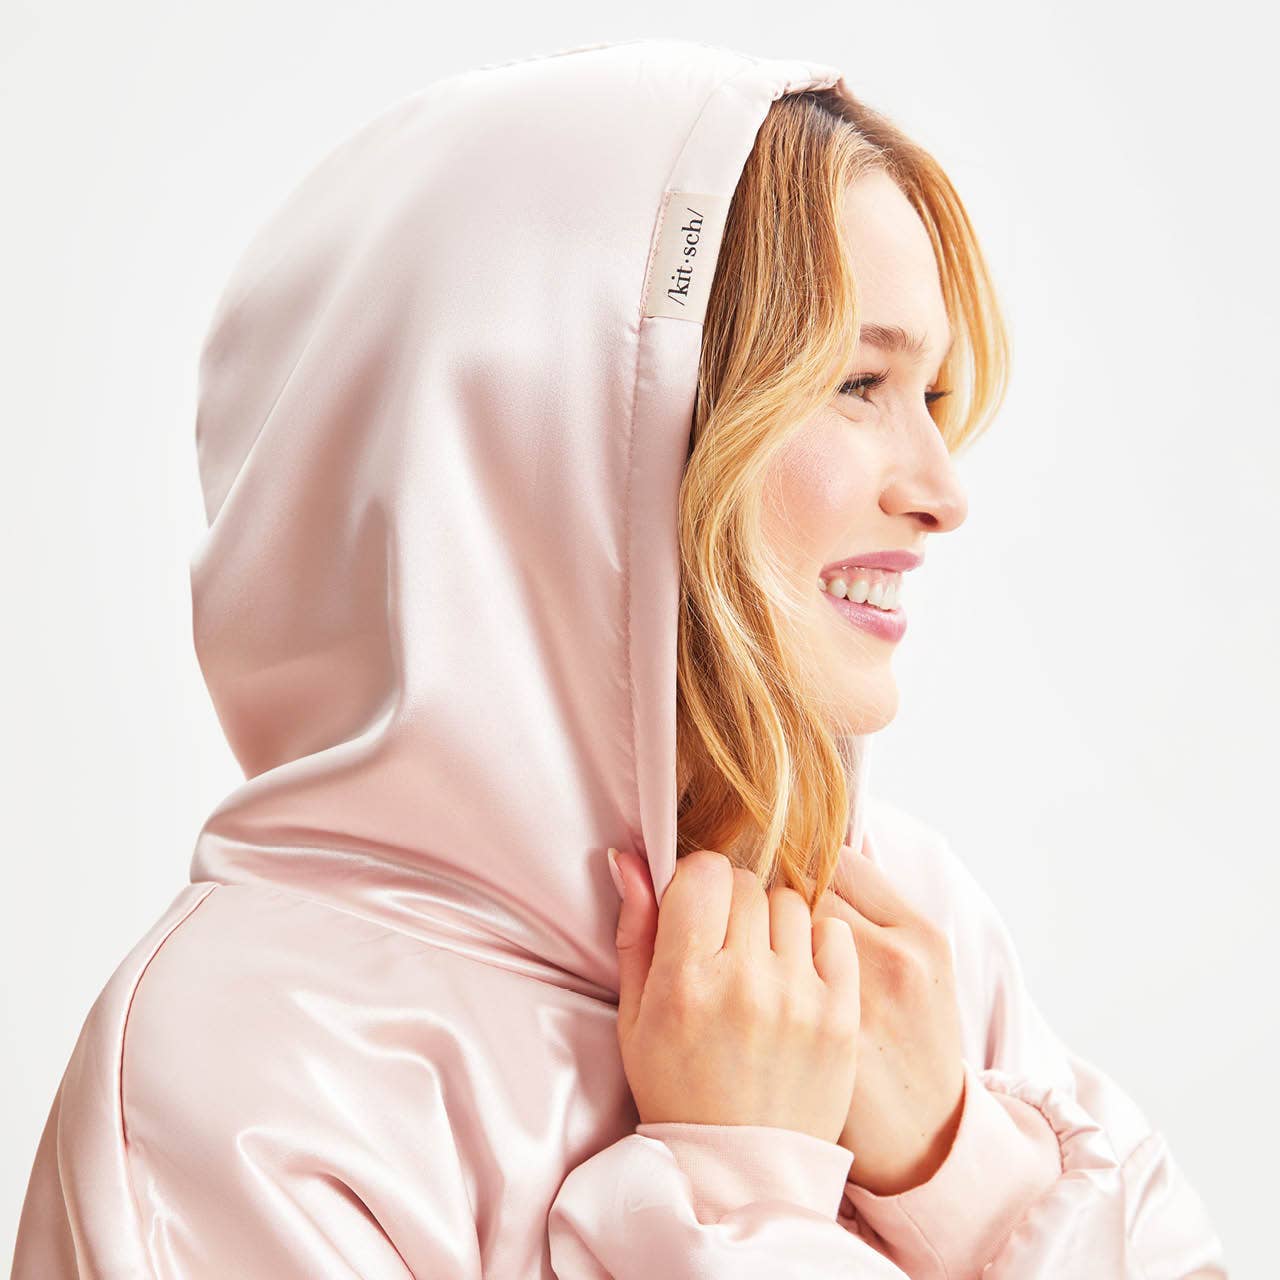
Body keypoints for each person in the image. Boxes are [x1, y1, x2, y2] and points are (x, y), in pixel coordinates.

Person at [11, 36, 1227, 1278]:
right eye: (856, 382)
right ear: (556, 438)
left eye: (933, 398)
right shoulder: (251, 1073)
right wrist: (739, 1196)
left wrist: (957, 1168)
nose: (940, 489)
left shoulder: (887, 927)